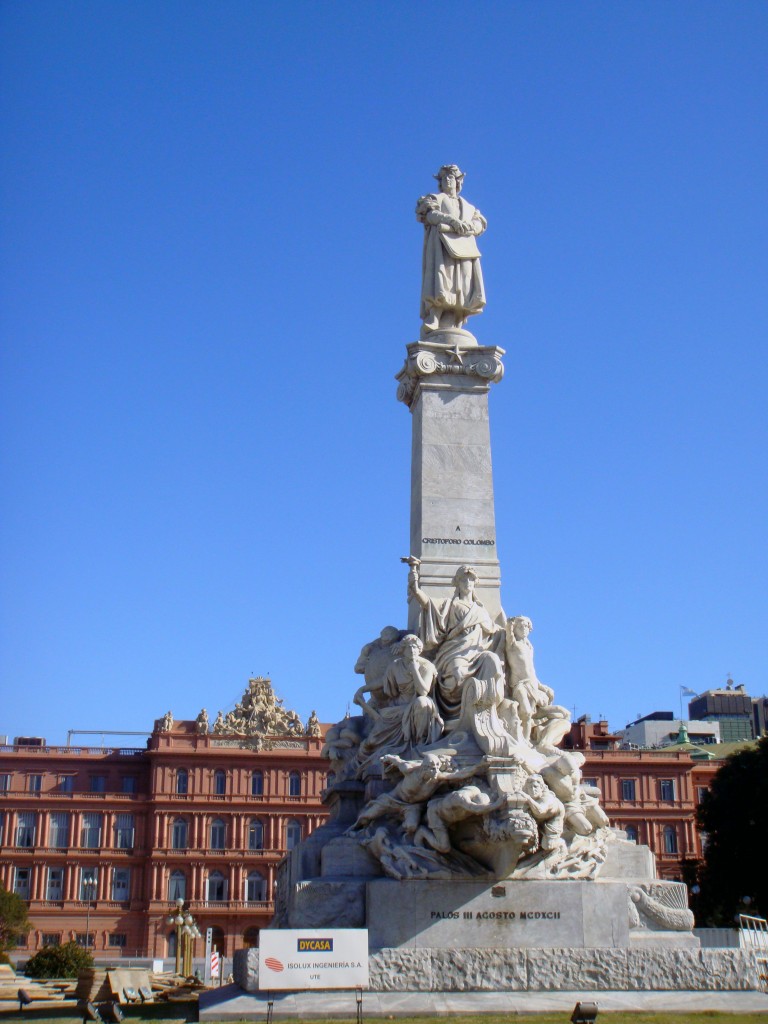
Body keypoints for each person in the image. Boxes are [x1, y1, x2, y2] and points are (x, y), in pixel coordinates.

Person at [408, 562, 505, 721]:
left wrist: (510, 633)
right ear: (457, 583)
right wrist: (414, 584)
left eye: (471, 581)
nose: (468, 583)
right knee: (458, 674)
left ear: (475, 584)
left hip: (476, 653)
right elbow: (427, 603)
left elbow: (494, 631)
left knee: (492, 660)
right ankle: (458, 719)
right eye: (464, 580)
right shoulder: (450, 605)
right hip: (453, 652)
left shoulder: (480, 610)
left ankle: (487, 709)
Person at [416, 164, 486, 333]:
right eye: (445, 177)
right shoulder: (435, 198)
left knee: (463, 281)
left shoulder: (468, 207)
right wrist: (453, 222)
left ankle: (457, 319)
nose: (448, 180)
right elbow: (431, 215)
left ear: (458, 182)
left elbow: (481, 223)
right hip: (442, 247)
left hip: (465, 248)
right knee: (442, 279)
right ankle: (435, 316)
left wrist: (471, 227)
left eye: (451, 177)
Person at [505, 616, 570, 747]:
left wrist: (542, 687)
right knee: (526, 713)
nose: (523, 629)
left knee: (563, 713)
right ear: (515, 628)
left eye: (526, 627)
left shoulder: (529, 647)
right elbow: (508, 631)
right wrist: (511, 623)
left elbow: (531, 671)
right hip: (519, 684)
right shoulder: (512, 644)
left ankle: (536, 740)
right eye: (520, 626)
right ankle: (523, 742)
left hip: (533, 685)